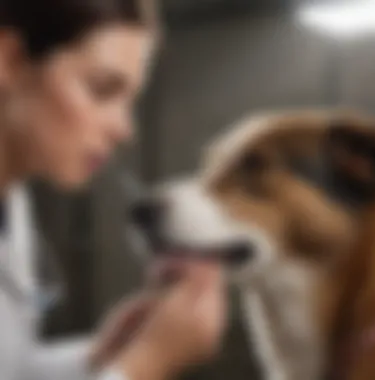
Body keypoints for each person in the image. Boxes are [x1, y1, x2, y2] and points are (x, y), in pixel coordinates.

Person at [0, 1, 227, 380]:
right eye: (102, 90)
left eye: (130, 100)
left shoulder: (13, 200)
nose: (124, 130)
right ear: (9, 60)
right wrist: (145, 366)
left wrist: (103, 355)